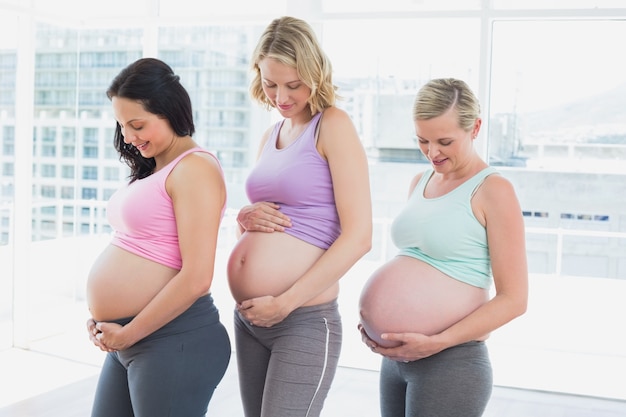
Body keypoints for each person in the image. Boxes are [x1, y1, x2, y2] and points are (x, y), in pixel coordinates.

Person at [227, 16, 372, 417]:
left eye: (293, 84)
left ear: (315, 74)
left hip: (302, 318)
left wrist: (286, 302)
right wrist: (244, 218)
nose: (281, 96)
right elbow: (264, 224)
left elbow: (360, 236)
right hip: (251, 318)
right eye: (270, 83)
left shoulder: (333, 125)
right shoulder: (270, 135)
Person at [358, 78, 528, 417]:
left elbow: (515, 300)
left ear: (475, 127)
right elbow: (416, 263)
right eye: (422, 140)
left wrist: (437, 341)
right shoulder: (419, 182)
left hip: (451, 361)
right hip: (396, 361)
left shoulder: (494, 190)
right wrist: (377, 323)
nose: (432, 152)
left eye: (445, 141)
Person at [84, 57, 231, 417]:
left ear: (168, 111)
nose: (130, 137)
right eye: (122, 126)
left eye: (138, 125)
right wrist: (107, 321)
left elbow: (197, 278)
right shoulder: (155, 170)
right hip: (129, 339)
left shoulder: (195, 168)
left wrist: (128, 332)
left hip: (173, 339)